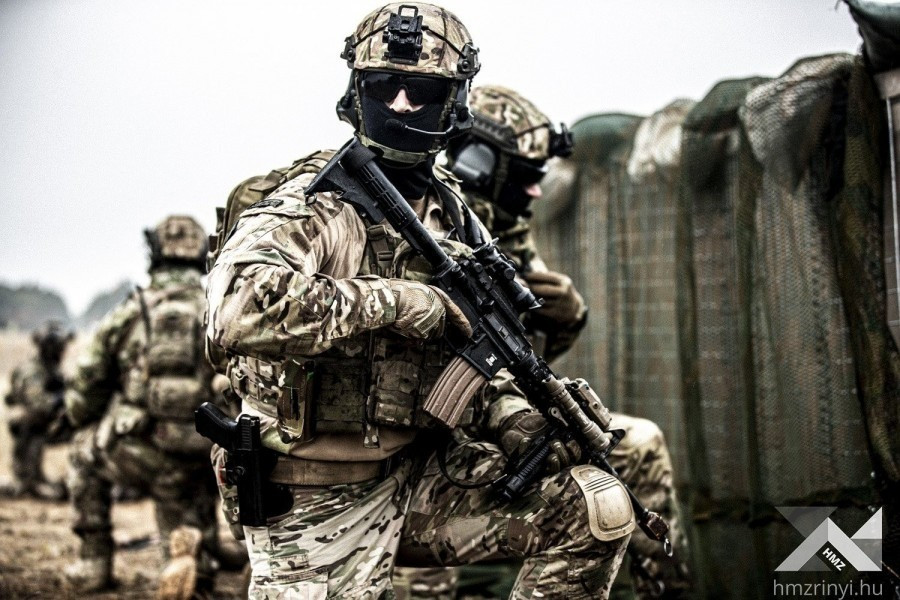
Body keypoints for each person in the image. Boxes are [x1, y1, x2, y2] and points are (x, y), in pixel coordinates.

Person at [205, 4, 634, 599]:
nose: (402, 104)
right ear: (358, 92)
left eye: (423, 91)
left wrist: (514, 418)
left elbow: (472, 360)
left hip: (420, 473)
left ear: (453, 102)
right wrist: (404, 303)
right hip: (315, 492)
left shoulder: (452, 212)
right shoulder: (315, 203)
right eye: (385, 86)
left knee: (593, 506)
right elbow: (233, 307)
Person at [443, 85, 691, 599]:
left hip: (500, 414)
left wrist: (566, 318)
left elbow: (521, 357)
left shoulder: (506, 231)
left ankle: (662, 589)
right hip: (427, 432)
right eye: (526, 177)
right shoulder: (435, 217)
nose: (536, 193)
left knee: (639, 445)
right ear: (477, 164)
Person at [63, 216, 231, 595]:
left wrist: (80, 417)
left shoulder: (129, 312)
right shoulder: (220, 308)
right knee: (192, 488)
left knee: (82, 453)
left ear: (154, 253)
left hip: (142, 450)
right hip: (206, 456)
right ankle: (201, 561)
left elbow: (87, 387)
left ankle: (93, 563)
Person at [1, 321, 72, 501]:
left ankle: (33, 478)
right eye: (59, 348)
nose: (62, 352)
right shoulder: (33, 371)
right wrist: (65, 399)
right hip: (28, 423)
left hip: (37, 423)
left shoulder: (49, 368)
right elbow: (40, 404)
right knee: (33, 419)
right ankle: (26, 480)